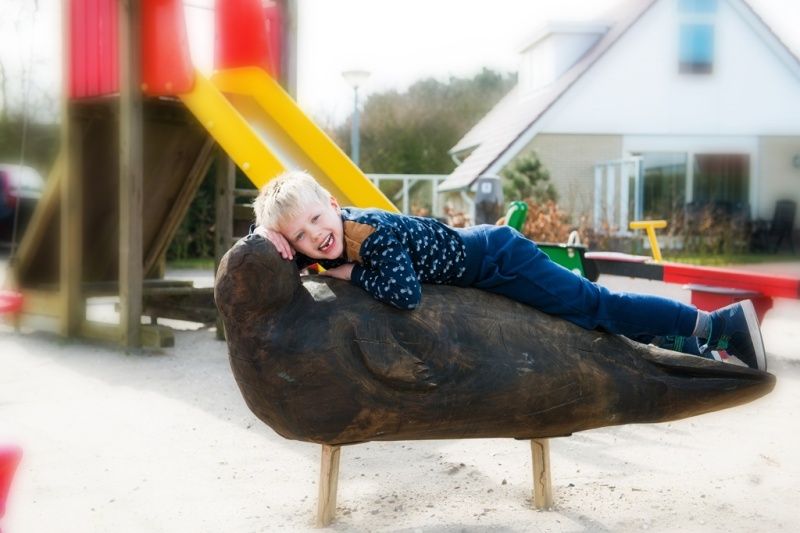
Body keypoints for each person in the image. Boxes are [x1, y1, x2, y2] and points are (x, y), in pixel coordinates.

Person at [251, 170, 767, 371]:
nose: (315, 237)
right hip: (482, 257)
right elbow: (287, 255)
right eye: (298, 235)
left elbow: (404, 295)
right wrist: (265, 238)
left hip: (499, 258)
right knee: (587, 315)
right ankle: (686, 342)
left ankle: (717, 325)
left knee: (593, 307)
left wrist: (342, 275)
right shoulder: (325, 235)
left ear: (334, 204)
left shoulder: (369, 237)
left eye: (317, 220)